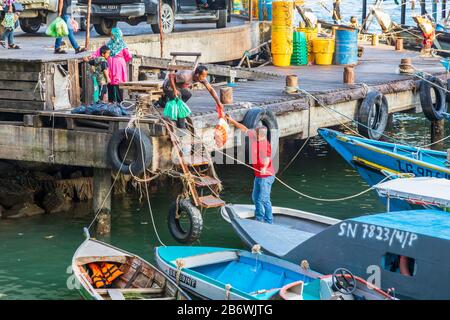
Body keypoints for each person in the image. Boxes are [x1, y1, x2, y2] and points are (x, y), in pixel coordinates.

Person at [227, 116, 276, 224]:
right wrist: (232, 120)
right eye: (256, 134)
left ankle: (269, 221)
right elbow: (244, 128)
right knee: (255, 198)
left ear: (263, 135)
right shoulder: (254, 136)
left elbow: (267, 158)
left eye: (259, 135)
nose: (256, 136)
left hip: (266, 176)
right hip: (258, 175)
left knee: (264, 199)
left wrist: (263, 168)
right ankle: (259, 218)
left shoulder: (265, 145)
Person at [91, 27, 132, 103]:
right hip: (114, 65)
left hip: (116, 66)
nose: (111, 36)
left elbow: (128, 55)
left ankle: (117, 101)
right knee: (111, 82)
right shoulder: (114, 44)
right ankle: (114, 101)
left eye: (113, 35)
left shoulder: (121, 45)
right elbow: (128, 56)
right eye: (111, 35)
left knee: (117, 84)